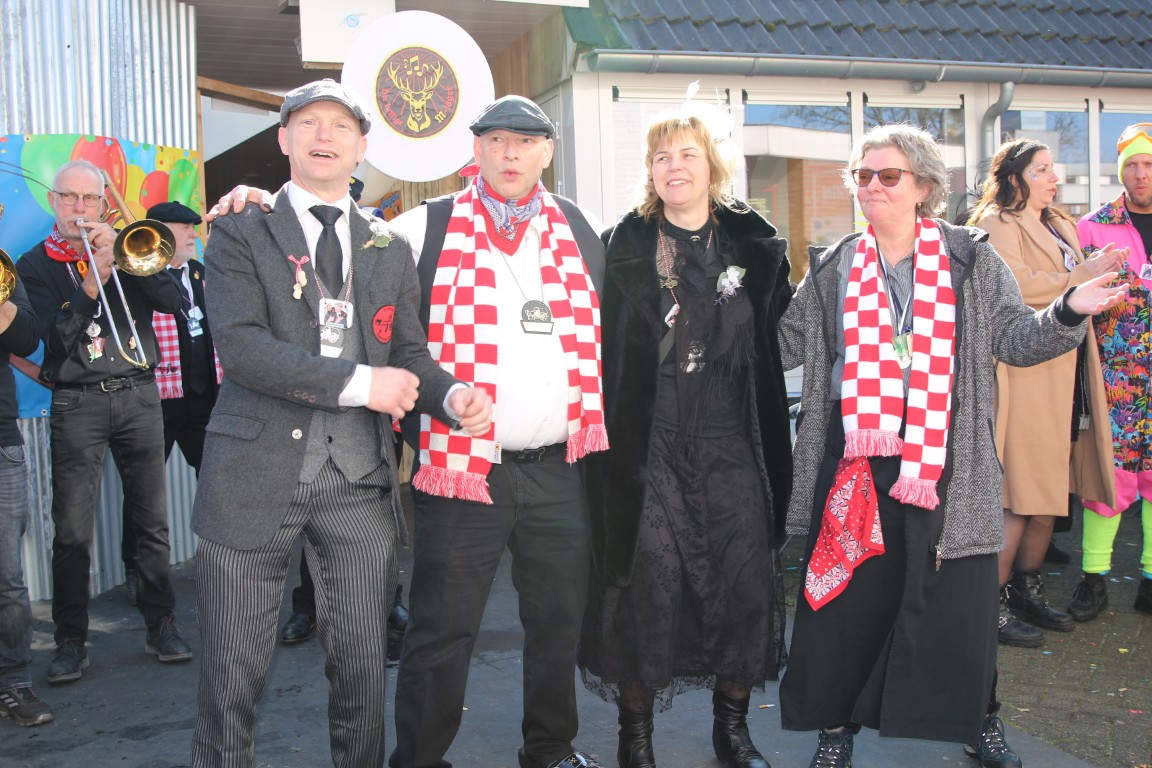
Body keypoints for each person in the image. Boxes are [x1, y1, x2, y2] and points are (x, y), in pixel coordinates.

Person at [213, 94, 610, 768]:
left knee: (557, 624)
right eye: (496, 140)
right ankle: (420, 760)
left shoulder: (583, 226)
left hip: (558, 468)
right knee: (441, 630)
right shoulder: (421, 226)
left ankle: (550, 749)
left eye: (526, 141)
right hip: (461, 470)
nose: (511, 153)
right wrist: (257, 199)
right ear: (475, 150)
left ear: (547, 151)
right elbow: (339, 242)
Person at [775, 124, 1127, 768]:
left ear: (924, 187)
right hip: (856, 461)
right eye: (862, 175)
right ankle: (835, 731)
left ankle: (978, 719)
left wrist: (1069, 309)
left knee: (959, 605)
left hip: (947, 461)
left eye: (888, 175)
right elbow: (783, 346)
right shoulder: (835, 266)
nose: (872, 186)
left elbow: (1017, 340)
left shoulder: (970, 260)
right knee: (844, 602)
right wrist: (739, 296)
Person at [189, 78, 492, 768]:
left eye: (340, 126)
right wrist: (364, 385)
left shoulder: (387, 245)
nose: (324, 136)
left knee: (361, 673)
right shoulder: (239, 229)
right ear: (284, 140)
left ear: (362, 147)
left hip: (358, 479)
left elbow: (407, 353)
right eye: (308, 123)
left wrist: (449, 396)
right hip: (251, 477)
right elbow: (241, 348)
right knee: (231, 679)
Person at [577, 103, 791, 768]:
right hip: (649, 445)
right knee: (648, 584)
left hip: (734, 442)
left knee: (743, 581)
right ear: (650, 170)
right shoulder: (621, 248)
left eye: (687, 154)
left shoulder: (756, 247)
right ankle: (635, 739)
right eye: (662, 156)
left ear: (712, 166)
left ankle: (733, 732)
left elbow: (784, 335)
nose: (674, 166)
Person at [16, 159, 193, 684]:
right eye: (69, 197)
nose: (79, 208)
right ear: (54, 203)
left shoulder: (129, 249)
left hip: (138, 395)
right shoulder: (35, 264)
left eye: (89, 198)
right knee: (71, 531)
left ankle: (161, 624)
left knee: (151, 522)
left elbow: (175, 302)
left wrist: (126, 258)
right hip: (77, 403)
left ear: (103, 204)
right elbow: (52, 339)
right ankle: (71, 640)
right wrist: (94, 281)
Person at [967, 139, 1122, 647]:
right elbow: (1016, 286)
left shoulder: (1060, 224)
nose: (1054, 178)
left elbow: (1069, 283)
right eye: (1042, 169)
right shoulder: (995, 225)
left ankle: (1026, 589)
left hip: (1067, 371)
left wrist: (1098, 268)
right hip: (1028, 374)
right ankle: (990, 605)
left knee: (1050, 490)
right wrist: (1081, 276)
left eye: (1053, 169)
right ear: (1014, 177)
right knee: (1020, 492)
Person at [119, 201, 222, 607]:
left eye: (193, 228)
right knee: (143, 490)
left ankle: (221, 560)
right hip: (158, 399)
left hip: (203, 396)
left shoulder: (200, 273)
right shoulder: (137, 273)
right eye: (183, 229)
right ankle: (136, 569)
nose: (193, 235)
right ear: (159, 233)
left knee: (215, 478)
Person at [1072, 121, 1152, 621]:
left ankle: (1150, 580)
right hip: (1115, 379)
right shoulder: (1093, 227)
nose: (1141, 174)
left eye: (1149, 165)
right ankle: (1094, 577)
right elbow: (1073, 295)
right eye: (1132, 166)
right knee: (1109, 477)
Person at [0, 265, 54, 726]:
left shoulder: (5, 273)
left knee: (7, 578)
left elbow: (25, 338)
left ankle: (14, 682)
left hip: (1, 444)